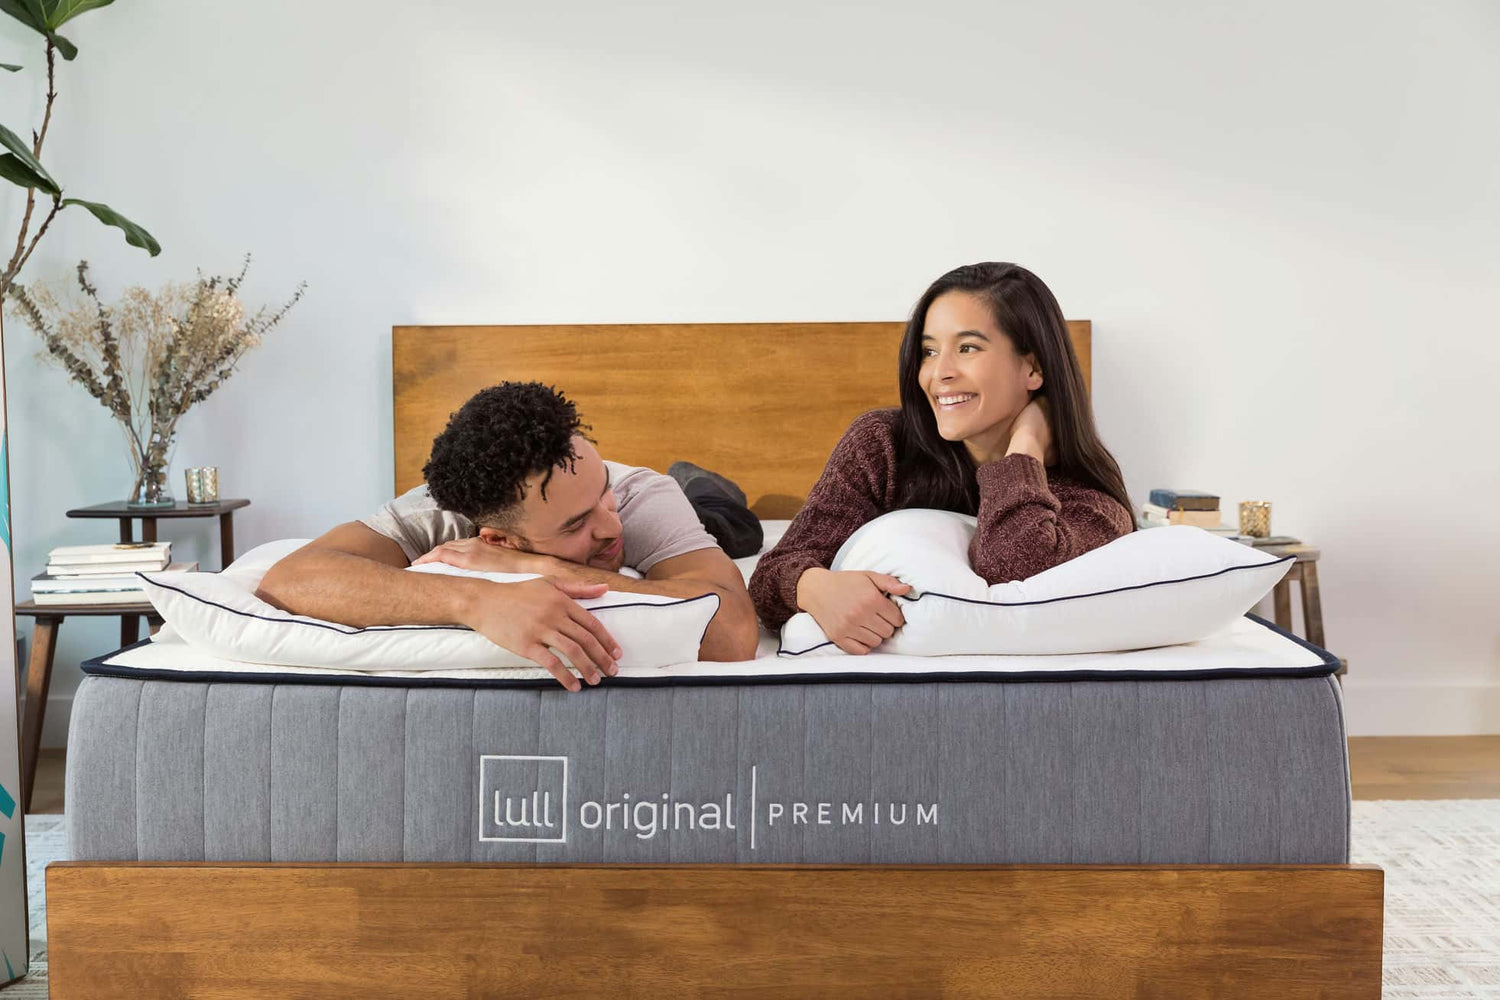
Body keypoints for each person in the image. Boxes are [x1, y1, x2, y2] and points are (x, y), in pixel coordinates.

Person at [257, 382, 760, 691]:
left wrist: (541, 568)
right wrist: (474, 600)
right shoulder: (435, 513)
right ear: (497, 539)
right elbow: (293, 577)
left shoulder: (636, 497)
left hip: (700, 510)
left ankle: (703, 483)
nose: (610, 527)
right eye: (575, 525)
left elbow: (735, 632)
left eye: (598, 494)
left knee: (729, 522)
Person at [749, 262, 1135, 655]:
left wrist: (1026, 446)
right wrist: (812, 586)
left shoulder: (1090, 503)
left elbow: (1013, 575)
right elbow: (770, 577)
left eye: (968, 348)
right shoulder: (884, 444)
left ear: (1033, 367)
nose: (939, 373)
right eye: (929, 351)